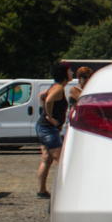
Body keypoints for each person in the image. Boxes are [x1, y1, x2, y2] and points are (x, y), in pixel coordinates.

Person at [36, 62, 71, 199]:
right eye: (69, 71)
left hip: (43, 127)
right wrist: (49, 117)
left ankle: (41, 191)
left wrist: (45, 113)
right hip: (49, 129)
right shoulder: (58, 88)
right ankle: (62, 192)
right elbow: (49, 100)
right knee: (60, 160)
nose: (71, 73)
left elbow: (41, 96)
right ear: (64, 74)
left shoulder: (54, 87)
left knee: (46, 159)